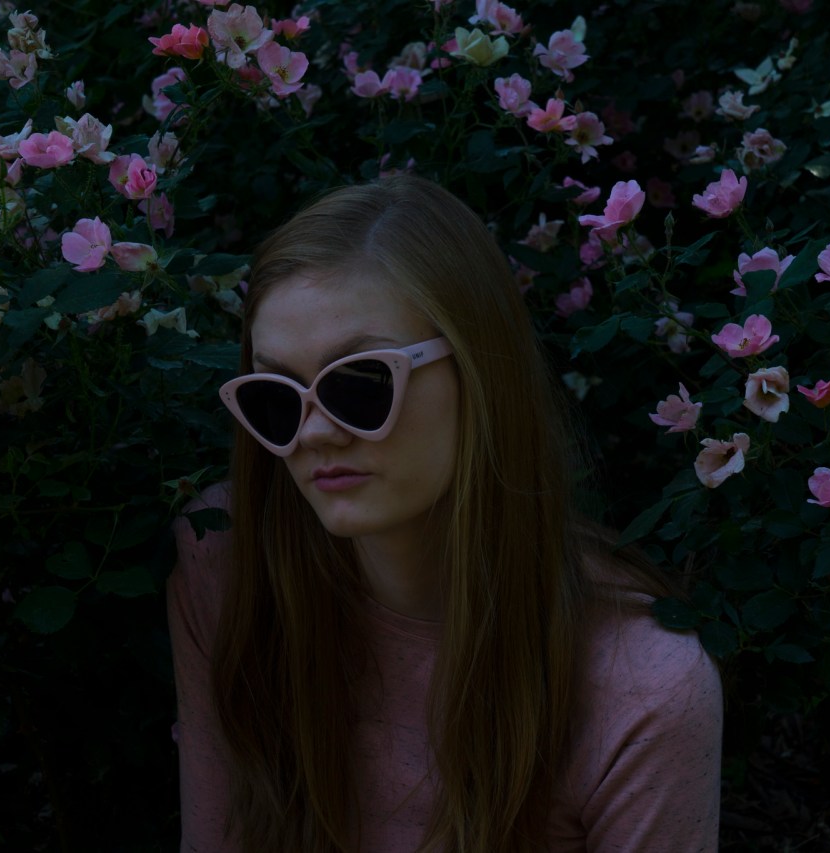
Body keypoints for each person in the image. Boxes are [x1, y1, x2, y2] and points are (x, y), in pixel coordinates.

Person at [167, 175, 722, 852]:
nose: (313, 434)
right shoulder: (226, 564)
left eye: (360, 382)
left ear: (479, 372)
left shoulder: (643, 687)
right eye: (275, 396)